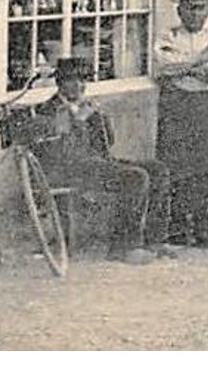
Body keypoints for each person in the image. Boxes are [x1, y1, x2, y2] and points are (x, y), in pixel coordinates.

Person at [28, 57, 174, 264]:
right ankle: (123, 247)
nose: (79, 86)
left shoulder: (84, 105)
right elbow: (61, 152)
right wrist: (79, 119)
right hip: (68, 171)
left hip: (96, 164)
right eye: (72, 81)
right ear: (60, 83)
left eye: (82, 81)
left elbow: (108, 143)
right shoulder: (49, 110)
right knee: (135, 177)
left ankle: (154, 240)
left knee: (158, 169)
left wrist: (99, 118)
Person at [154, 0, 208, 247]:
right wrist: (198, 63)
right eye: (190, 8)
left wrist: (184, 67)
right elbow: (163, 68)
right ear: (179, 10)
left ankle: (205, 228)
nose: (195, 14)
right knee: (176, 163)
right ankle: (176, 225)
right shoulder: (168, 36)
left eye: (201, 8)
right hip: (176, 105)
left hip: (206, 105)